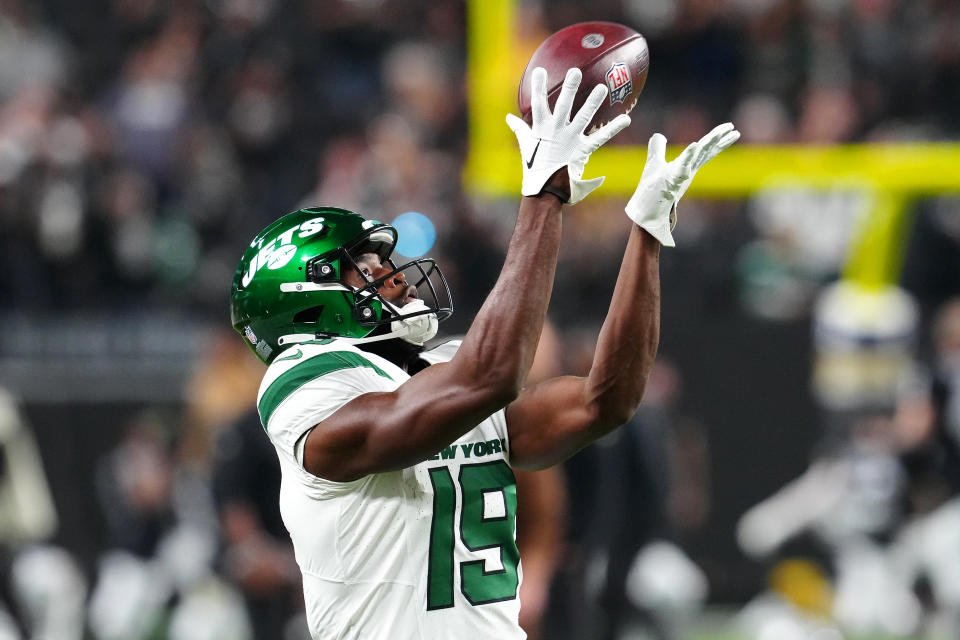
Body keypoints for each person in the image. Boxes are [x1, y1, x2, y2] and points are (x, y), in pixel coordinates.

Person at [229, 67, 739, 639]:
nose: (394, 277)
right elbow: (487, 378)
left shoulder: (443, 371)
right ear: (304, 300)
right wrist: (544, 192)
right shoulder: (305, 386)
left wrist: (646, 234)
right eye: (366, 269)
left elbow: (605, 401)